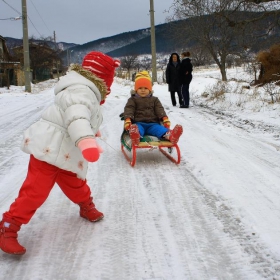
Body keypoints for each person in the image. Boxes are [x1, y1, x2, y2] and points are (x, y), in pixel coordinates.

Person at [0, 51, 120, 255]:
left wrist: (91, 130)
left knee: (77, 184)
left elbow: (82, 118)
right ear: (102, 78)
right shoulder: (82, 91)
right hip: (48, 150)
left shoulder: (84, 90)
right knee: (35, 192)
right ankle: (8, 228)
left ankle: (86, 205)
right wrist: (85, 140)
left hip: (65, 153)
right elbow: (77, 117)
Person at [123, 71, 183, 145]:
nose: (143, 90)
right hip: (138, 123)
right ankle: (136, 136)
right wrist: (128, 120)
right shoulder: (132, 100)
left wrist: (164, 118)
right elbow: (129, 109)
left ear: (150, 89)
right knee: (137, 129)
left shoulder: (155, 100)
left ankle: (170, 135)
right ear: (136, 89)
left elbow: (159, 109)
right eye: (140, 88)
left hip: (153, 124)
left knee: (160, 130)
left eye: (146, 88)